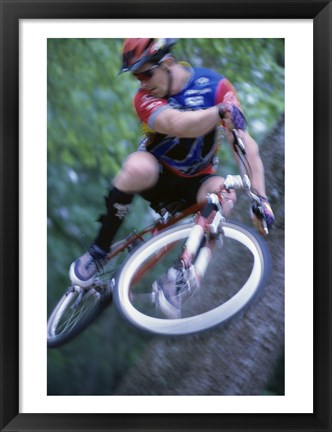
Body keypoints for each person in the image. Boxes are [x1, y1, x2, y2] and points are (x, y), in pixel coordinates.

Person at [69, 38, 275, 314]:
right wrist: (218, 112)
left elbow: (244, 145)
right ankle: (98, 251)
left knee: (225, 193)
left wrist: (260, 198)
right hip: (157, 174)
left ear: (166, 63)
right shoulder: (145, 98)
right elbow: (179, 124)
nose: (141, 82)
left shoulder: (215, 86)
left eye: (145, 73)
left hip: (196, 181)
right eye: (136, 76)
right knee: (136, 166)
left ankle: (180, 277)